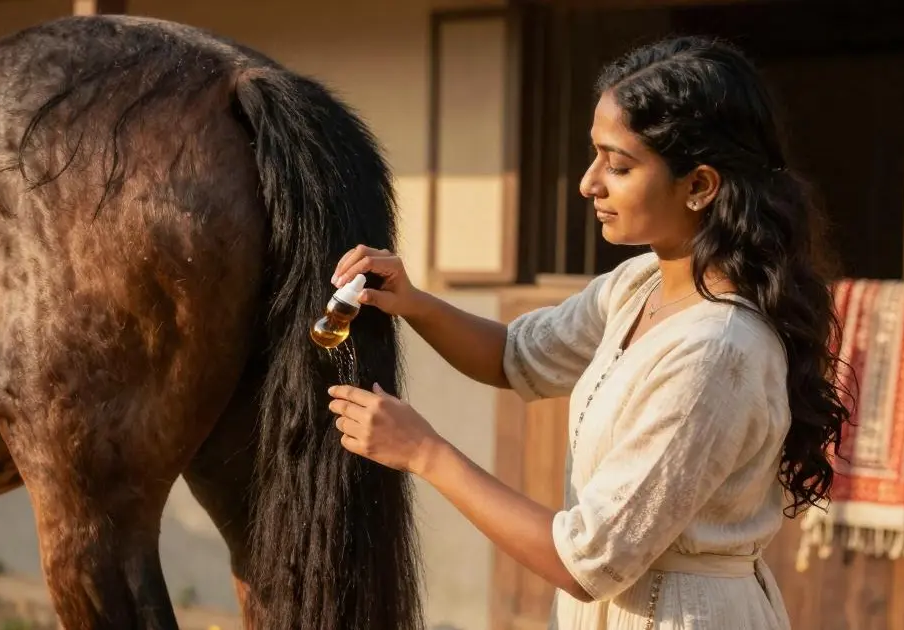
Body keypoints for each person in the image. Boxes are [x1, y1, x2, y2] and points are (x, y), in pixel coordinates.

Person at [326, 35, 850, 629]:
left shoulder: (716, 351)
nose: (588, 183)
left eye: (619, 165)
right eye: (595, 155)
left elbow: (587, 562)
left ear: (700, 186)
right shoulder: (640, 285)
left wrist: (425, 453)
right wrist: (414, 303)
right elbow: (513, 355)